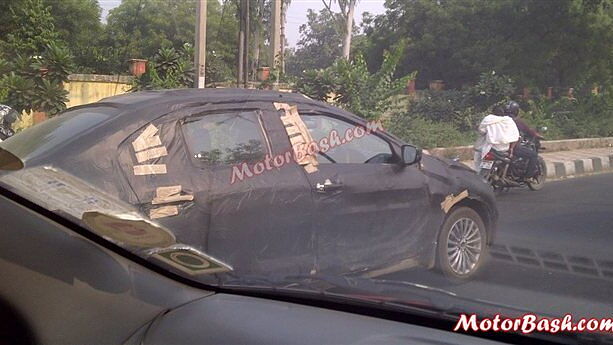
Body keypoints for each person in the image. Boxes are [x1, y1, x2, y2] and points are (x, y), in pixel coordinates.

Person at [473, 106, 520, 171]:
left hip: (490, 148)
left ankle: (477, 173)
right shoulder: (508, 120)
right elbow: (515, 136)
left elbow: (482, 131)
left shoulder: (488, 119)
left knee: (479, 155)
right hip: (503, 149)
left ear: (493, 112)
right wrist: (511, 149)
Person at [504, 101, 543, 178]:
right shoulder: (517, 121)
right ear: (516, 111)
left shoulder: (501, 120)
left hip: (499, 146)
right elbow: (529, 131)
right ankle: (528, 176)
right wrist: (538, 135)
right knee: (533, 155)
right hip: (512, 147)